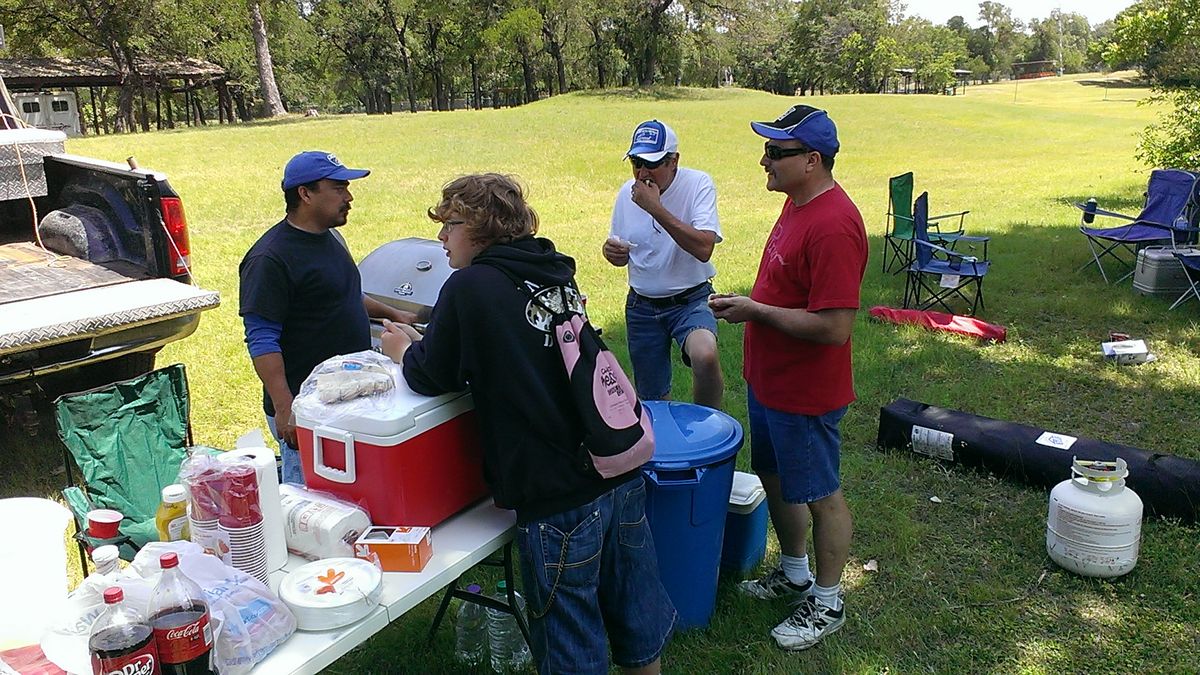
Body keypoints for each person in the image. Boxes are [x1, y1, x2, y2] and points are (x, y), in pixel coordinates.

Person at [380, 174, 675, 675]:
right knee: (636, 624)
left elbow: (433, 374)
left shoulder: (469, 285)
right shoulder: (550, 267)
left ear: (478, 228)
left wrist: (404, 349)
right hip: (615, 467)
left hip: (556, 492)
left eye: (448, 226)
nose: (441, 239)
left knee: (569, 640)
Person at [708, 105, 867, 651]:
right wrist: (753, 308)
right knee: (775, 480)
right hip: (770, 381)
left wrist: (756, 311)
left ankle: (826, 601)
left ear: (812, 160)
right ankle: (794, 571)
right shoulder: (797, 203)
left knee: (821, 493)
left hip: (805, 393)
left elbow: (834, 328)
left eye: (777, 152)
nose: (764, 161)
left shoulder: (834, 225)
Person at [239, 150, 415, 485]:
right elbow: (261, 337)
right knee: (312, 502)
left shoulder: (329, 237)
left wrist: (393, 313)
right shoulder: (270, 259)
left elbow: (343, 293)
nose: (349, 197)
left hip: (345, 394)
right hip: (305, 408)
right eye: (337, 188)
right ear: (305, 194)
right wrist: (285, 407)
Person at [602, 119, 724, 409]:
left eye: (651, 163)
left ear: (674, 161)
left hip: (690, 298)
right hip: (642, 305)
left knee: (705, 355)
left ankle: (708, 428)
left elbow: (704, 247)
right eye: (636, 162)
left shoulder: (697, 184)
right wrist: (613, 253)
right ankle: (664, 446)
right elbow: (622, 248)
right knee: (652, 398)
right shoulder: (626, 193)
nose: (642, 172)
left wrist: (655, 208)